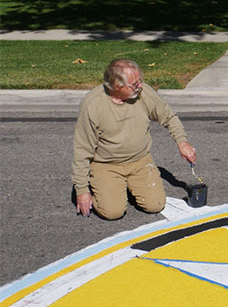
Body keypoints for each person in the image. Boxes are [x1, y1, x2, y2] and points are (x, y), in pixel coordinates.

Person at [72, 59, 196, 219]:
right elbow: (82, 150)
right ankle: (109, 187)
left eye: (140, 81)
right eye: (134, 84)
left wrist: (182, 141)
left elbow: (168, 116)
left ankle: (127, 186)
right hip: (106, 165)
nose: (140, 86)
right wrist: (82, 190)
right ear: (116, 86)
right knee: (112, 212)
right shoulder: (93, 105)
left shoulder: (143, 93)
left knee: (155, 205)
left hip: (140, 161)